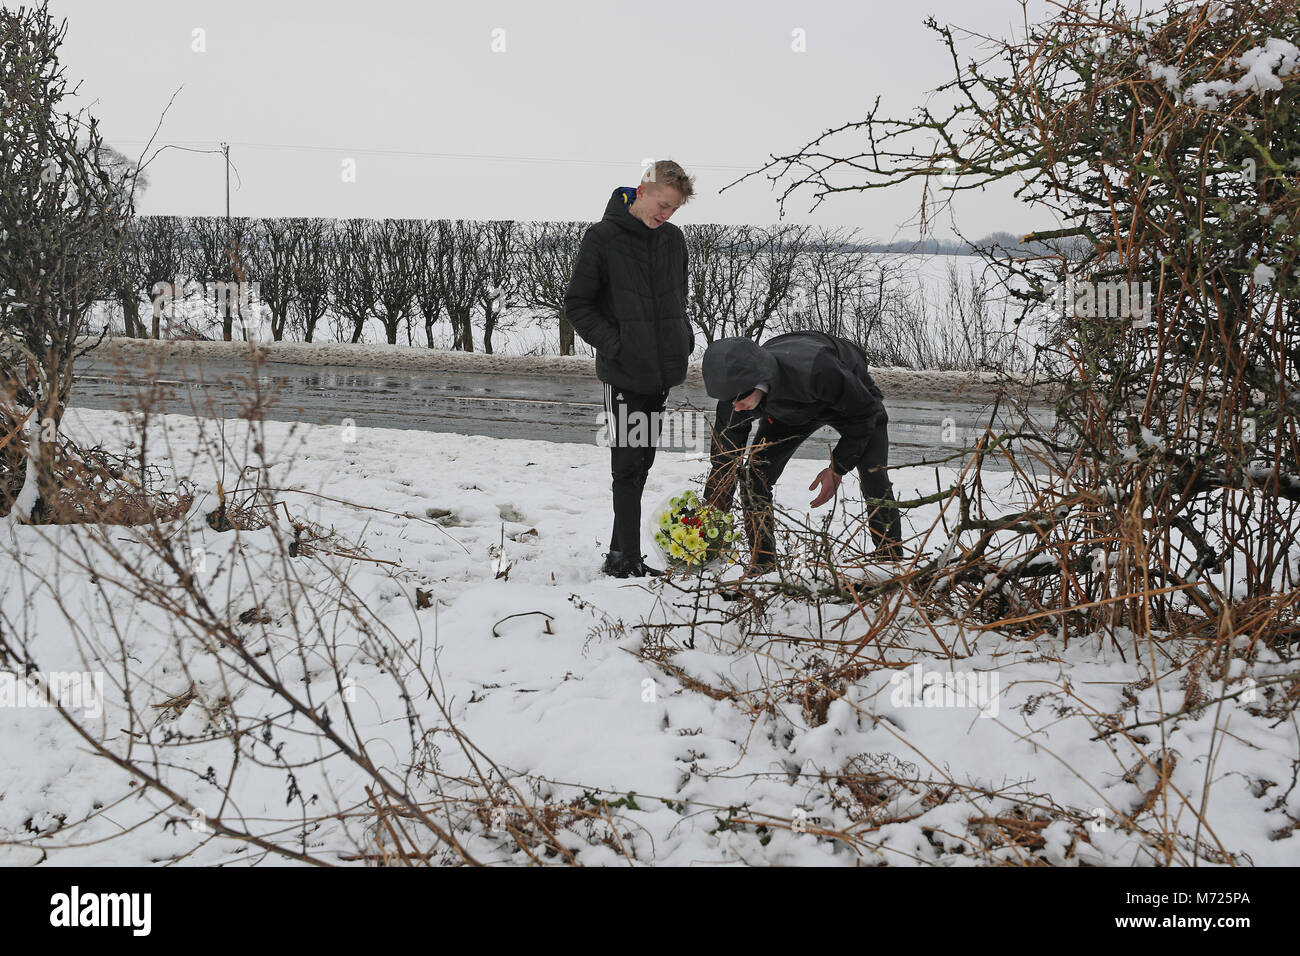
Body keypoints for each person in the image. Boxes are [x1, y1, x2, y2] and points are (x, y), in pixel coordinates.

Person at [564, 160, 696, 578]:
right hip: (625, 372)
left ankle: (621, 553)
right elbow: (578, 305)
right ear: (642, 190)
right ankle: (626, 561)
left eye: (673, 209)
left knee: (643, 463)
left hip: (661, 372)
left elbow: (678, 300)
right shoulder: (603, 237)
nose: (665, 215)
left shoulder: (673, 240)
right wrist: (617, 344)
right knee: (626, 466)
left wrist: (682, 337)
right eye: (662, 204)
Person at [701, 331, 903, 575]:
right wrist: (710, 520)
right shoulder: (734, 393)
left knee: (874, 474)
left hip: (851, 404)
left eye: (739, 399)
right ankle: (763, 561)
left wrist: (837, 468)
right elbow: (725, 461)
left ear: (757, 381)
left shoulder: (820, 370)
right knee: (755, 476)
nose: (735, 406)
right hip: (786, 413)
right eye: (728, 400)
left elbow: (865, 415)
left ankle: (889, 556)